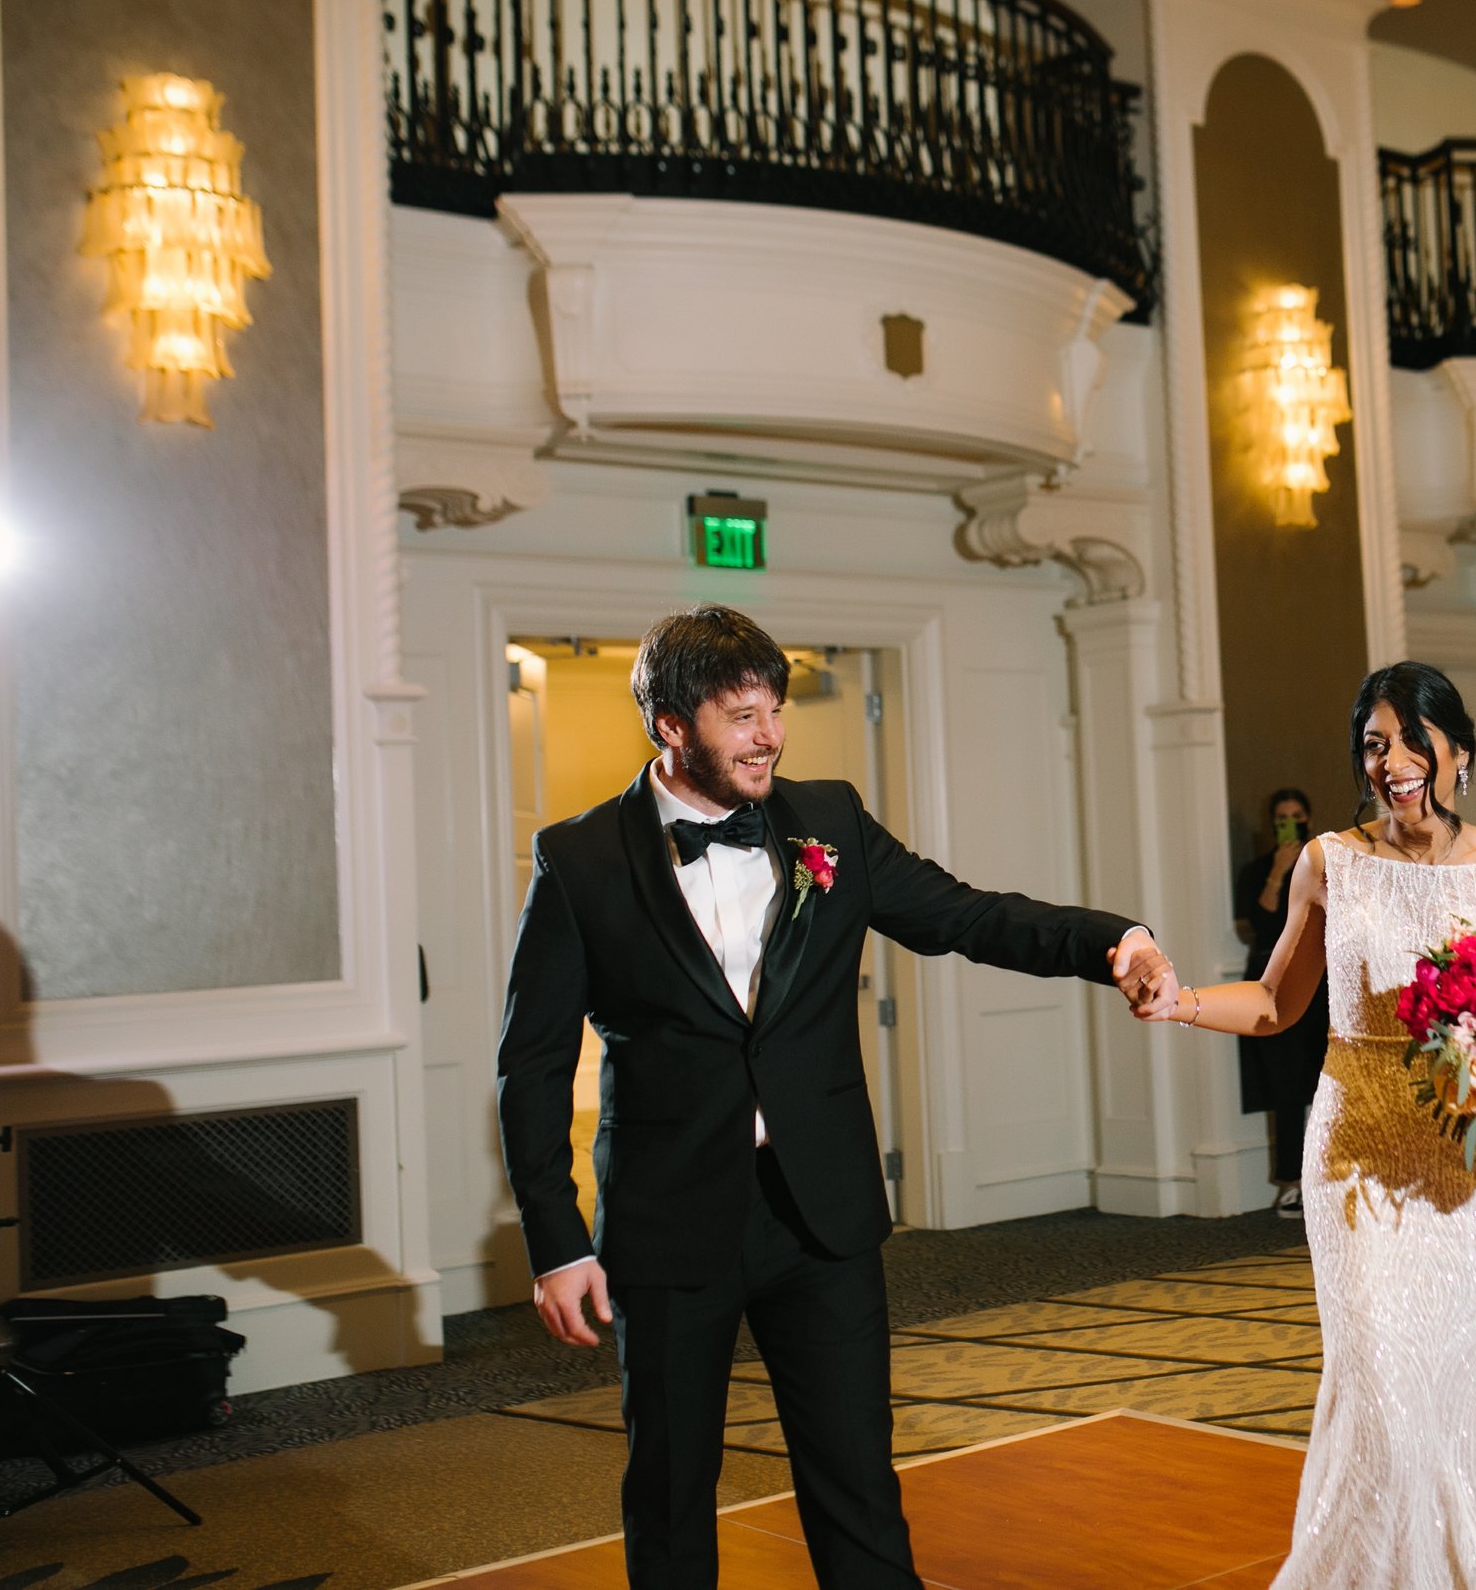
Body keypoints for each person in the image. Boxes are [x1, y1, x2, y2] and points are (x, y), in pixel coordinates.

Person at [497, 605, 1179, 1590]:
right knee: (671, 1493)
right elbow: (531, 1058)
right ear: (672, 725)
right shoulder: (582, 858)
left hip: (821, 1210)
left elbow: (964, 914)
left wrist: (1108, 938)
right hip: (669, 1220)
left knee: (857, 1482)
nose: (768, 732)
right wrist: (557, 1238)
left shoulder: (830, 820)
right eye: (740, 713)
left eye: (773, 708)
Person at [1149, 662, 1476, 1588]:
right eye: (1372, 743)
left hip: (1469, 1168)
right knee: (1385, 1396)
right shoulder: (1328, 861)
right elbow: (1276, 1004)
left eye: (1409, 738)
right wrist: (1182, 999)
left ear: (1458, 750)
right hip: (1353, 1155)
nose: (1390, 760)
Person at [1234, 789, 1332, 1221]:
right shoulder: (1258, 870)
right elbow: (1256, 925)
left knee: (1331, 1083)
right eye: (1281, 818)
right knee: (1287, 1087)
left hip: (1325, 983)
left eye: (1295, 815)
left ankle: (1334, 1177)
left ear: (1308, 818)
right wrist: (1276, 874)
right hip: (1274, 988)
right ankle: (1291, 1184)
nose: (1288, 822)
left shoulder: (1327, 863)